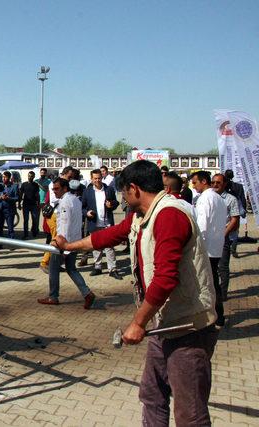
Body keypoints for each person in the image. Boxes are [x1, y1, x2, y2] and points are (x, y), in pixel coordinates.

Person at [55, 160, 218, 426]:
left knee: (190, 414)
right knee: (152, 395)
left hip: (188, 329)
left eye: (123, 193)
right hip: (163, 324)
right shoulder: (142, 215)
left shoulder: (170, 215)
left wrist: (137, 323)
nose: (121, 199)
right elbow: (109, 236)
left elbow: (165, 279)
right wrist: (70, 246)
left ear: (134, 189)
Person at [37, 178, 96, 309]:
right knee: (71, 269)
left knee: (53, 268)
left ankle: (53, 296)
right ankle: (87, 293)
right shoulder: (75, 199)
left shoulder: (64, 202)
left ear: (65, 188)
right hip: (74, 240)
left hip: (64, 242)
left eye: (57, 188)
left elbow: (65, 225)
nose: (54, 191)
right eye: (53, 189)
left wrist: (62, 246)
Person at [191, 170, 227, 327]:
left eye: (195, 182)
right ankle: (218, 315)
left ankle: (212, 316)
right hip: (216, 245)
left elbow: (202, 225)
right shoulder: (218, 198)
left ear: (204, 181)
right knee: (213, 282)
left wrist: (196, 245)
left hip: (207, 247)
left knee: (206, 284)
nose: (194, 185)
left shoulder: (205, 198)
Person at [82, 169, 121, 279]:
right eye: (95, 178)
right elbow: (83, 207)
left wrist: (111, 205)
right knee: (96, 246)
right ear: (91, 179)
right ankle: (97, 267)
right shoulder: (87, 191)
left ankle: (112, 269)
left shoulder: (108, 189)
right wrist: (87, 213)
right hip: (94, 223)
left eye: (99, 178)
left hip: (107, 222)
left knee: (109, 246)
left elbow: (115, 202)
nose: (97, 180)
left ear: (102, 177)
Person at [212, 174, 240, 302]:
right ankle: (213, 293)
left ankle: (223, 295)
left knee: (222, 267)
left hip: (223, 238)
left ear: (224, 184)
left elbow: (235, 219)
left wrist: (223, 233)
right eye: (213, 182)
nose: (215, 185)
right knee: (211, 267)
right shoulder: (208, 197)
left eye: (218, 182)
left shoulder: (231, 199)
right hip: (210, 238)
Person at [0, 171, 18, 240]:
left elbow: (17, 198)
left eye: (5, 177)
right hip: (0, 210)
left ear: (9, 178)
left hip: (9, 210)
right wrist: (0, 197)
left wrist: (8, 198)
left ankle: (11, 243)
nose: (3, 178)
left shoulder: (14, 186)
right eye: (2, 177)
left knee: (10, 228)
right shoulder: (0, 186)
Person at [18, 171, 40, 239]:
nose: (30, 177)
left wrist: (38, 203)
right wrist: (19, 203)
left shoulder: (36, 185)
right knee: (26, 220)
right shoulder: (24, 184)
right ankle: (25, 234)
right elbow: (21, 194)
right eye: (29, 176)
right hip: (26, 205)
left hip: (33, 205)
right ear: (27, 176)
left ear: (34, 177)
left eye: (32, 176)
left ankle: (34, 232)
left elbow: (37, 195)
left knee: (35, 219)